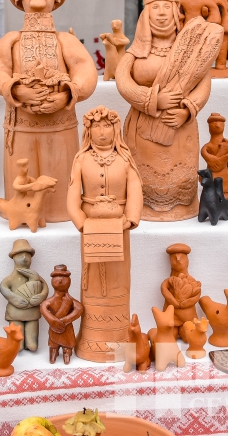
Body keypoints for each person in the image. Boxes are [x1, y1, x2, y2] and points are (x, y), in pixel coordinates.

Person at [0, 0, 98, 222]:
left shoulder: (65, 40)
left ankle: (60, 212)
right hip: (21, 127)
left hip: (61, 126)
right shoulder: (11, 39)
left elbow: (86, 71)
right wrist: (16, 90)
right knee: (22, 177)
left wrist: (68, 94)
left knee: (60, 178)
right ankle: (22, 215)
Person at [114, 0, 223, 221]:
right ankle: (141, 204)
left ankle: (183, 205)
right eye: (155, 8)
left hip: (180, 128)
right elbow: (123, 84)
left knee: (178, 170)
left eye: (166, 7)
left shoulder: (193, 53)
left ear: (175, 12)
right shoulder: (134, 54)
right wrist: (153, 99)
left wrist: (187, 110)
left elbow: (203, 85)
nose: (161, 14)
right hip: (143, 127)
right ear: (145, 15)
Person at [67, 106, 143, 361]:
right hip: (90, 228)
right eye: (96, 126)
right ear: (88, 130)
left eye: (107, 126)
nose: (102, 131)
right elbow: (72, 195)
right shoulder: (81, 159)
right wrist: (82, 223)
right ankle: (92, 341)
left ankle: (119, 343)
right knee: (93, 284)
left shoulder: (125, 159)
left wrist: (130, 219)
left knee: (118, 281)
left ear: (115, 129)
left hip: (120, 228)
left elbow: (135, 189)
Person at [0, 239, 48, 352]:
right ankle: (19, 344)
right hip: (15, 314)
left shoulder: (35, 276)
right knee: (17, 345)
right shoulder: (11, 278)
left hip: (32, 313)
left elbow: (44, 287)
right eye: (20, 255)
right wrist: (14, 298)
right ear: (13, 258)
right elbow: (3, 288)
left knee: (32, 345)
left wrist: (41, 296)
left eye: (27, 255)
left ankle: (30, 343)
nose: (25, 258)